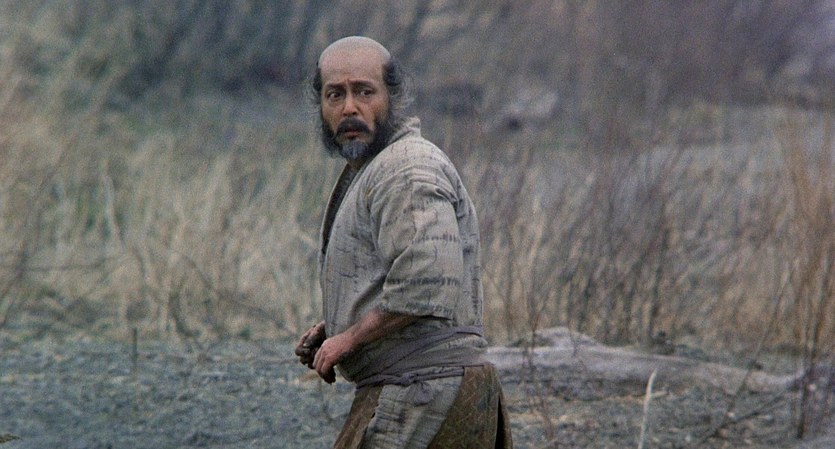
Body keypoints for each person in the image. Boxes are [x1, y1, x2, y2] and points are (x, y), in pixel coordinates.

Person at [295, 36, 512, 449]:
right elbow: (398, 277)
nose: (349, 108)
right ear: (320, 106)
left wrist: (349, 339)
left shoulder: (407, 168)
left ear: (392, 97)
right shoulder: (378, 167)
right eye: (335, 94)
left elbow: (425, 284)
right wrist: (338, 326)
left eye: (364, 92)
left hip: (424, 392)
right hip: (413, 388)